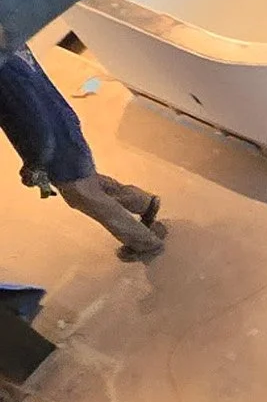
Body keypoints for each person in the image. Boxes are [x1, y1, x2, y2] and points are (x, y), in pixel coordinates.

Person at [0, 40, 165, 261]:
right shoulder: (10, 42)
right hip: (63, 125)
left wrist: (35, 162)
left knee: (83, 196)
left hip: (54, 144)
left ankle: (145, 244)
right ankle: (143, 202)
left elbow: (34, 120)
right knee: (87, 181)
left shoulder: (4, 76)